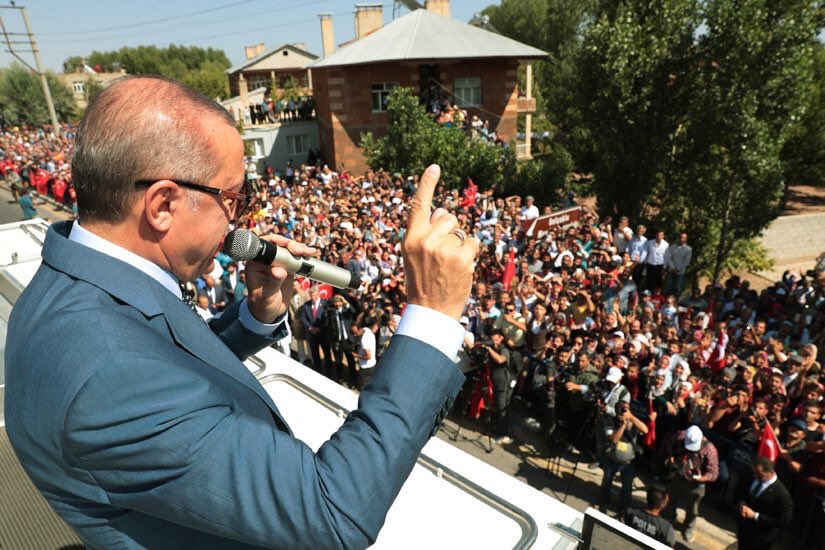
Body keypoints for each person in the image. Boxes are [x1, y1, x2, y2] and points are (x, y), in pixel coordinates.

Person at [5, 75, 479, 549]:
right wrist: (432, 313)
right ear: (162, 204)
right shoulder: (109, 374)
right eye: (231, 198)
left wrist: (257, 315)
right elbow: (335, 511)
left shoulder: (75, 286)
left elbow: (168, 365)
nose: (238, 222)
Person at [662, 425, 719, 543]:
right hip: (678, 475)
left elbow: (714, 473)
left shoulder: (710, 449)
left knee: (692, 509)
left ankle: (687, 529)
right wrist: (671, 455)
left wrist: (702, 478)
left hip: (696, 484)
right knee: (671, 500)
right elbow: (669, 442)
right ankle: (669, 519)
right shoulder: (680, 435)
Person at [736, 455, 793, 550]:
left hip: (762, 539)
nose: (756, 476)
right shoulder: (749, 475)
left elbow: (783, 521)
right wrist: (741, 504)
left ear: (771, 473)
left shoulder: (782, 495)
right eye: (755, 473)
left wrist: (755, 516)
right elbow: (739, 492)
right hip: (744, 531)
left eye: (760, 475)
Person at [300, 285, 329, 373]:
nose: (313, 297)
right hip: (311, 335)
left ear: (319, 293)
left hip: (323, 334)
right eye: (311, 295)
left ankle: (329, 371)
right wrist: (310, 328)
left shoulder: (325, 304)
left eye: (315, 295)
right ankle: (317, 371)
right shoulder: (306, 305)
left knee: (327, 354)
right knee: (315, 354)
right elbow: (303, 318)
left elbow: (327, 319)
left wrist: (319, 328)